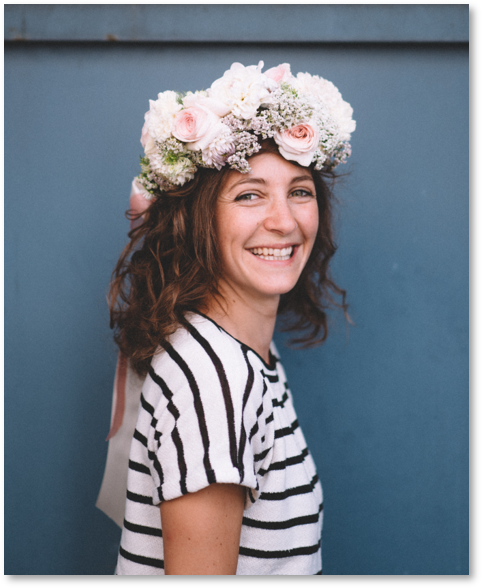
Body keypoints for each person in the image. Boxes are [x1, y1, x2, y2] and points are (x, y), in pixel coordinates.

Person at [97, 61, 355, 575]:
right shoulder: (216, 385)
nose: (283, 221)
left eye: (299, 190)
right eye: (249, 194)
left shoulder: (241, 352)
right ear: (200, 220)